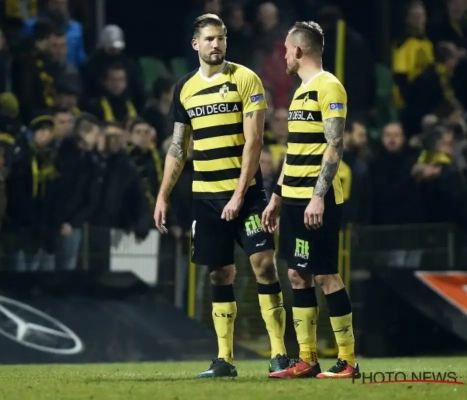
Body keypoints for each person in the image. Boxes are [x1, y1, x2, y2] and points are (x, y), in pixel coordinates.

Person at [153, 14, 289, 378]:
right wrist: (163, 195)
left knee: (264, 264)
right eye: (210, 39)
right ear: (195, 44)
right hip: (206, 198)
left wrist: (239, 193)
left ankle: (279, 354)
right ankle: (224, 359)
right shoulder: (184, 88)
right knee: (219, 273)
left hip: (247, 195)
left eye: (221, 38)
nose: (216, 44)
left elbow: (254, 142)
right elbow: (178, 147)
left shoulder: (245, 79)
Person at [262, 21, 360, 379]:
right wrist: (276, 196)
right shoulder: (299, 91)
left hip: (316, 200)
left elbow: (335, 144)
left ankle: (348, 360)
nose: (284, 56)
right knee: (297, 274)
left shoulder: (329, 86)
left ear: (299, 50)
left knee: (326, 275)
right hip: (292, 199)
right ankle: (307, 358)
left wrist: (318, 197)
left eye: (287, 49)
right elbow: (295, 152)